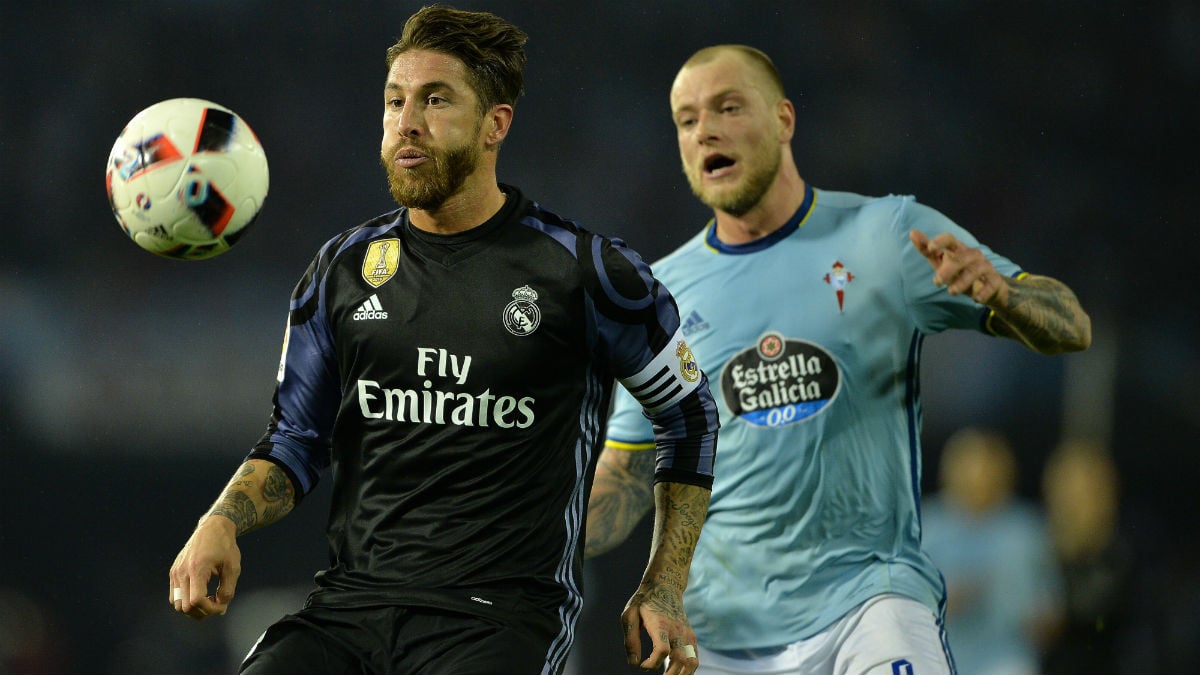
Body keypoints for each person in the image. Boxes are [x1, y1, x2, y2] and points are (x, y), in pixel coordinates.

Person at [167, 7, 720, 675]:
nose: (407, 121)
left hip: (500, 618)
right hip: (350, 609)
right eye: (395, 101)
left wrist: (663, 584)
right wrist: (220, 520)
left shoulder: (589, 273)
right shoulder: (341, 271)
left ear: (496, 124)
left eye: (436, 99)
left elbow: (687, 414)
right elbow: (294, 442)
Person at [585, 44, 1091, 675]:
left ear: (784, 120)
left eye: (728, 106)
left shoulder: (887, 236)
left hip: (869, 607)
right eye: (687, 120)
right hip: (720, 638)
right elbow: (628, 478)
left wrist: (1005, 296)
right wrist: (516, 528)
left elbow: (1070, 324)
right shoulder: (660, 298)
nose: (705, 129)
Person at [921, 428, 1064, 675]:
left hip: (1005, 658)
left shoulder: (1026, 530)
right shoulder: (925, 527)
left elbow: (1051, 610)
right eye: (969, 468)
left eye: (988, 469)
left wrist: (1038, 621)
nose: (979, 479)